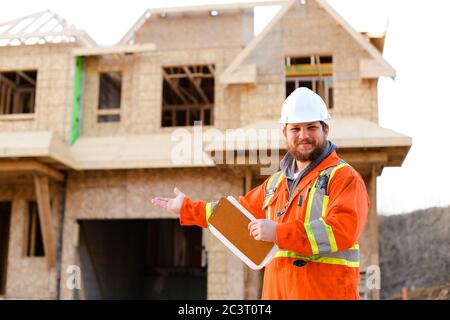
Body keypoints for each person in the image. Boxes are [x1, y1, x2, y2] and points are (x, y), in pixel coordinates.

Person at [152, 87, 370, 300]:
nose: (303, 135)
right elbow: (232, 214)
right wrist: (187, 208)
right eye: (295, 129)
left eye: (311, 127)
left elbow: (341, 230)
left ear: (325, 129)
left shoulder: (344, 178)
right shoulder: (275, 184)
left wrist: (278, 233)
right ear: (285, 133)